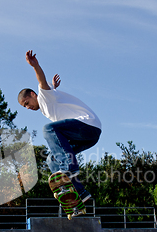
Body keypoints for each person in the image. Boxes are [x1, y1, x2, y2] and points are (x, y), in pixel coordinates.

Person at [18, 50, 102, 203]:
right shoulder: (49, 99)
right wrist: (54, 87)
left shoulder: (43, 96)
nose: (28, 108)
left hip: (87, 125)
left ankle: (68, 168)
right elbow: (51, 89)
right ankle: (80, 193)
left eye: (27, 103)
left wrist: (35, 66)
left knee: (49, 129)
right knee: (51, 159)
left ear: (32, 94)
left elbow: (42, 81)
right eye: (25, 107)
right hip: (86, 137)